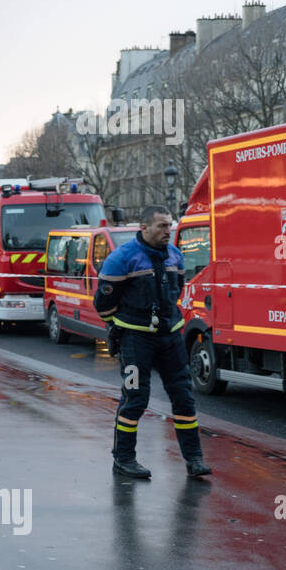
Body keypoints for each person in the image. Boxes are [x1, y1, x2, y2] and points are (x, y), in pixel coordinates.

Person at [94, 205, 210, 479]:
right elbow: (104, 303)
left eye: (169, 225)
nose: (167, 231)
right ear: (144, 228)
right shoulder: (121, 259)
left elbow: (175, 290)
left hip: (170, 337)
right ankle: (123, 459)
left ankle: (194, 460)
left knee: (183, 397)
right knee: (135, 398)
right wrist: (118, 328)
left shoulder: (175, 256)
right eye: (161, 226)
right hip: (136, 339)